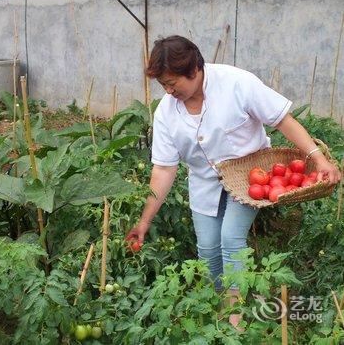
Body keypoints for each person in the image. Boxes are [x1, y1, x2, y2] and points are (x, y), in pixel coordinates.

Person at [126, 35, 341, 327]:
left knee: (230, 238)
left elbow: (281, 119)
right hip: (204, 182)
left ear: (194, 71)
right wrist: (144, 221)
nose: (168, 90)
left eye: (171, 82)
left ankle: (235, 319)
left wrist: (318, 157)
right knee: (208, 248)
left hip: (251, 177)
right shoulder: (166, 111)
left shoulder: (237, 83)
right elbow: (164, 170)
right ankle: (221, 306)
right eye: (163, 84)